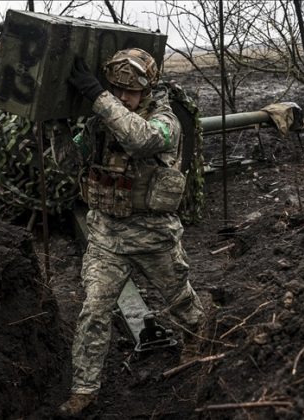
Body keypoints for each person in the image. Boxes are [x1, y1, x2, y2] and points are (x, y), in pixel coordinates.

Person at [59, 48, 206, 416]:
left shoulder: (164, 120)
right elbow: (68, 161)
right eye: (116, 89)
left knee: (181, 301)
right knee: (93, 311)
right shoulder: (101, 123)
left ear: (148, 89)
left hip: (153, 235)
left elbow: (140, 140)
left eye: (131, 91)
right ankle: (84, 390)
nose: (123, 97)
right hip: (107, 236)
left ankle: (197, 343)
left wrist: (98, 96)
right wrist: (58, 126)